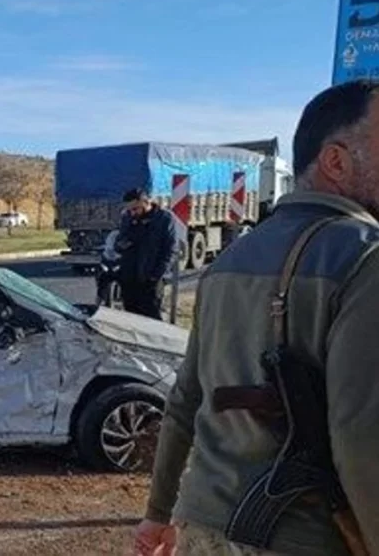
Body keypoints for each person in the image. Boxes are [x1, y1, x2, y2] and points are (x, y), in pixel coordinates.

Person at [133, 80, 379, 556]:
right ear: (336, 161)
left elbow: (185, 398)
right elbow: (361, 431)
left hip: (204, 527)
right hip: (304, 537)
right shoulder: (364, 259)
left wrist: (157, 513)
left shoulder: (227, 260)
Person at [114, 188, 184, 319]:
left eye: (136, 209)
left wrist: (156, 275)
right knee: (130, 318)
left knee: (151, 317)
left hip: (150, 279)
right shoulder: (128, 218)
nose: (133, 212)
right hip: (129, 278)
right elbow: (118, 244)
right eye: (130, 209)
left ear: (147, 202)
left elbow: (171, 250)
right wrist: (123, 244)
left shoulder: (163, 219)